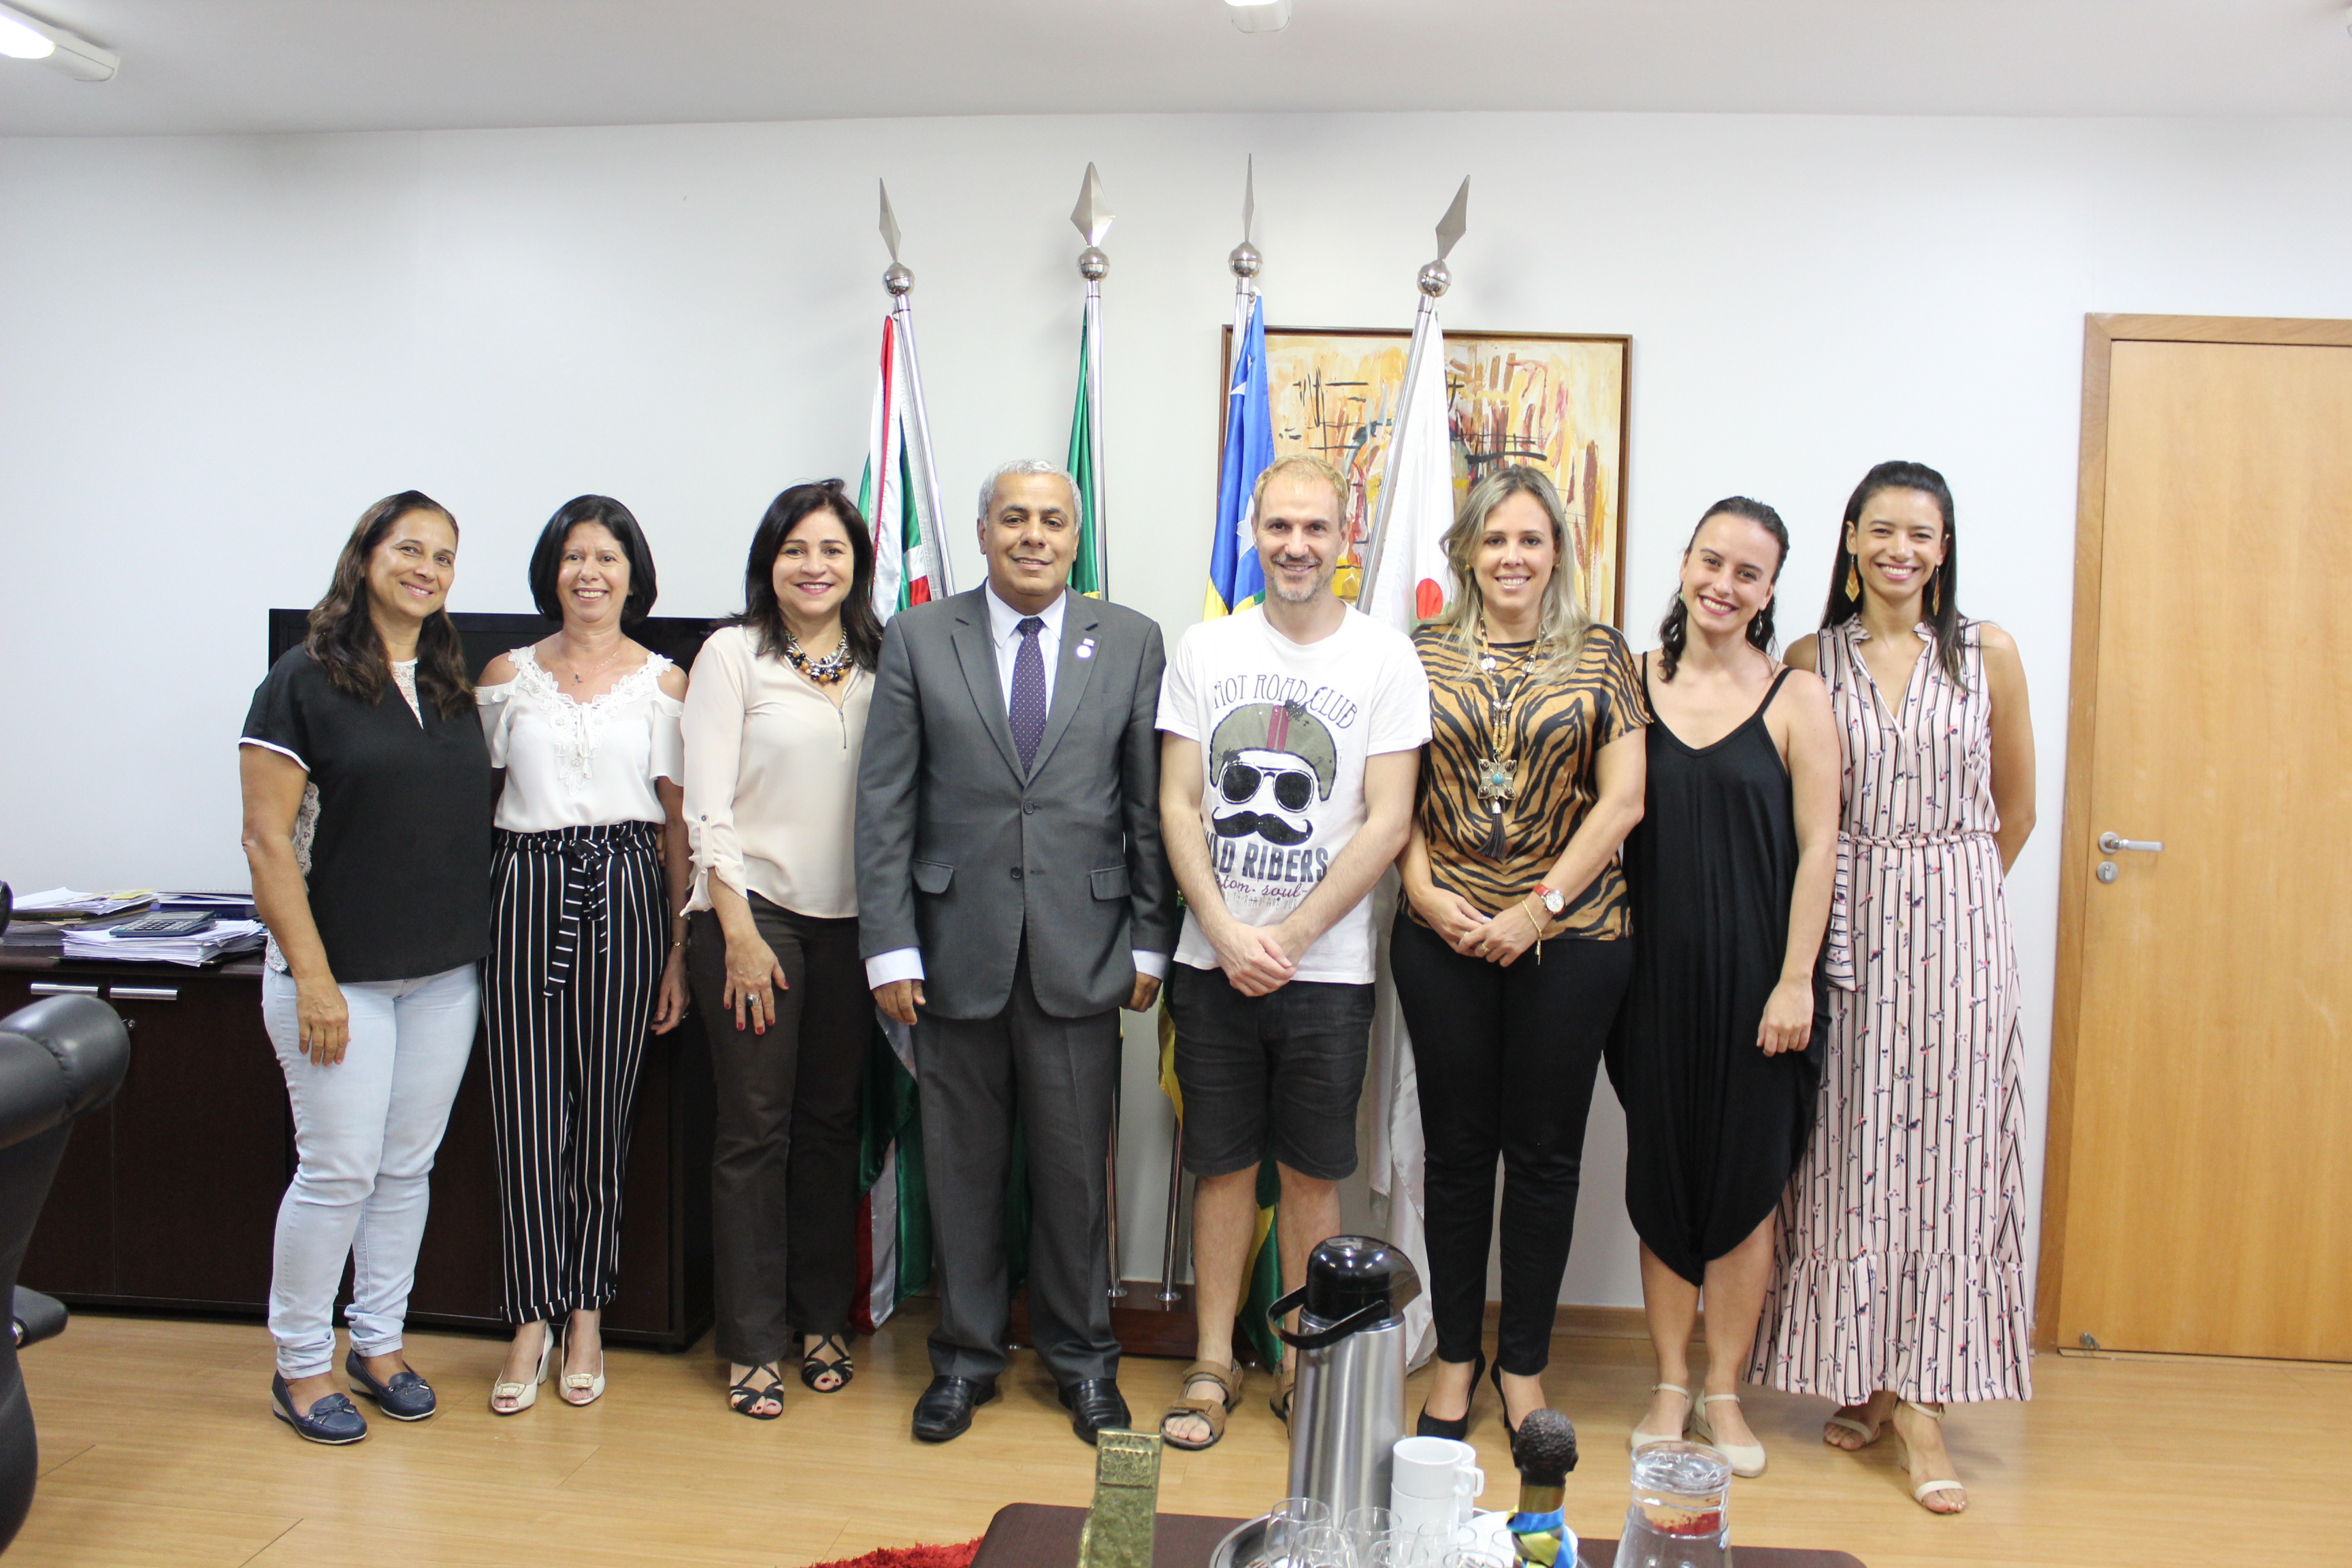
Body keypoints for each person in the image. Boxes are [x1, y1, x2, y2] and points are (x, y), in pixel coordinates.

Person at [855, 459, 1175, 1446]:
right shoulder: (919, 637)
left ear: (1075, 538)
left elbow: (1146, 806)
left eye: (1052, 521)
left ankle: (1085, 1363)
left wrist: (1152, 940)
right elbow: (885, 802)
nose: (1033, 536)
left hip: (1085, 950)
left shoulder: (1130, 640)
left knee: (1076, 1179)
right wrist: (890, 948)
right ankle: (965, 1359)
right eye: (1013, 518)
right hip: (952, 952)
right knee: (961, 1173)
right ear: (984, 532)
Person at [1750, 460, 2037, 1515]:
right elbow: (1794, 811)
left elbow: (2017, 809)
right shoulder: (1808, 658)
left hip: (1962, 933)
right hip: (1848, 927)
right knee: (1852, 1153)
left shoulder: (1986, 653)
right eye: (1882, 530)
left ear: (1944, 547)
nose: (1900, 550)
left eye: (1921, 533)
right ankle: (1863, 1374)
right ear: (1851, 540)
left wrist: (1949, 903)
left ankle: (1926, 1405)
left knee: (1956, 1160)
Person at [1156, 455, 1428, 1452]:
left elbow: (1388, 820)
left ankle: (1310, 1369)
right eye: (1279, 526)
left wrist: (1293, 936)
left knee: (1314, 1177)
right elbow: (1179, 799)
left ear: (1343, 538)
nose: (1296, 545)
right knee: (1222, 1168)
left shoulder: (1386, 660)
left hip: (1329, 972)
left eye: (1315, 528)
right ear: (1254, 534)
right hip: (1212, 962)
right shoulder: (1206, 648)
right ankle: (1212, 1364)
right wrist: (1227, 933)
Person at [1385, 466, 1644, 1442]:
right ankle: (1457, 1359)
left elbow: (1623, 801)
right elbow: (1392, 794)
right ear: (1466, 551)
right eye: (1495, 539)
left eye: (1530, 539)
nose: (1512, 557)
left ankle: (1523, 1366)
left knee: (1543, 1158)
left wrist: (1537, 911)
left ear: (1557, 552)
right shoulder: (1417, 654)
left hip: (1570, 941)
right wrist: (1421, 893)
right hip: (1442, 935)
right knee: (1456, 1156)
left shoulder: (1602, 655)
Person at [238, 491, 496, 1444]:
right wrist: (311, 978)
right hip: (336, 978)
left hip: (441, 976)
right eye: (409, 549)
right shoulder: (302, 681)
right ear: (367, 556)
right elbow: (267, 841)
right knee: (338, 1171)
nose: (426, 569)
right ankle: (301, 1363)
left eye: (444, 557)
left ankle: (378, 1344)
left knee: (405, 1169)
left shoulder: (448, 683)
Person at [1610, 497, 1838, 1477]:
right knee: (1662, 1177)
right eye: (1712, 561)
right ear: (1685, 562)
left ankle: (1723, 1392)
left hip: (1759, 987)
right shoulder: (1631, 681)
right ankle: (1669, 1383)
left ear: (1770, 590)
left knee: (1747, 1189)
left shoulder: (1797, 696)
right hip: (1647, 980)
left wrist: (1795, 980)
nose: (1724, 584)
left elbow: (1822, 845)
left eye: (1748, 573)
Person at [476, 495, 691, 1416]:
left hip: (627, 887)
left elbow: (678, 823)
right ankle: (530, 1319)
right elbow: (473, 800)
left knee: (604, 1116)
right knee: (525, 1113)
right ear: (551, 572)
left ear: (633, 574)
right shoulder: (507, 675)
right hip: (525, 886)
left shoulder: (667, 683)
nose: (589, 573)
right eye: (573, 557)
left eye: (607, 557)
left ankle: (588, 1314)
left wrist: (677, 948)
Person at [683, 480, 884, 1419]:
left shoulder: (885, 659)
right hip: (754, 917)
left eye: (832, 549)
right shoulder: (733, 654)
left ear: (858, 565)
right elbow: (706, 809)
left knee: (831, 1129)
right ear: (769, 562)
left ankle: (820, 1318)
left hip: (855, 928)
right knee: (754, 1132)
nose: (814, 565)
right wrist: (737, 933)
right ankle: (754, 1341)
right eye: (795, 548)